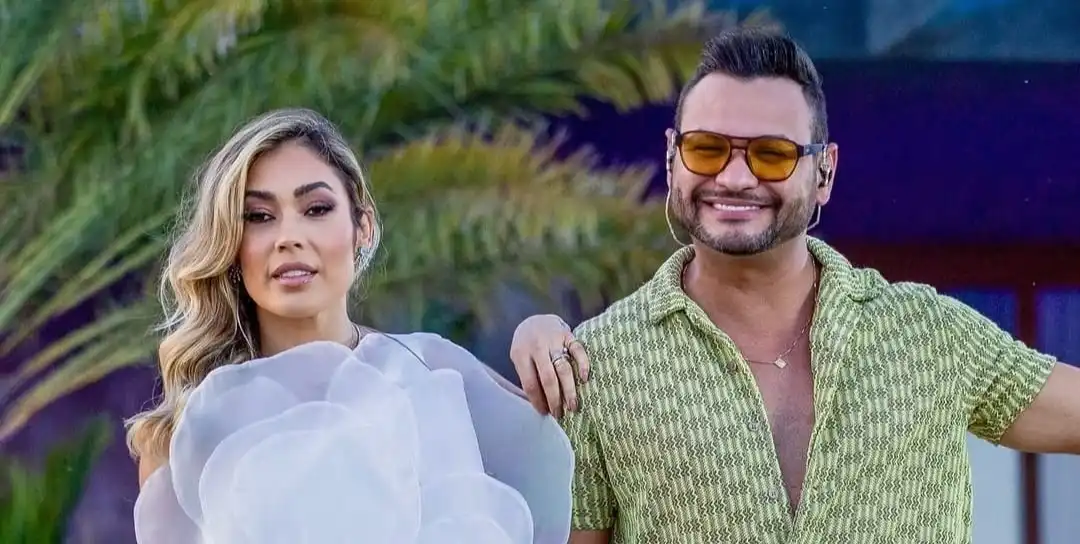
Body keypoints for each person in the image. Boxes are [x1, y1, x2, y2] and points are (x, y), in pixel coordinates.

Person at [508, 28, 1080, 544]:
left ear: (824, 171)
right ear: (672, 157)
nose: (735, 178)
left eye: (772, 154)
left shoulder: (927, 335)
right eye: (706, 148)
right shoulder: (599, 364)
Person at [126, 108, 573, 544]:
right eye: (259, 216)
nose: (289, 237)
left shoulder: (429, 367)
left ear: (363, 227)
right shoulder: (188, 430)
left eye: (316, 209)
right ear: (231, 244)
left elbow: (569, 447)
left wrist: (541, 332)